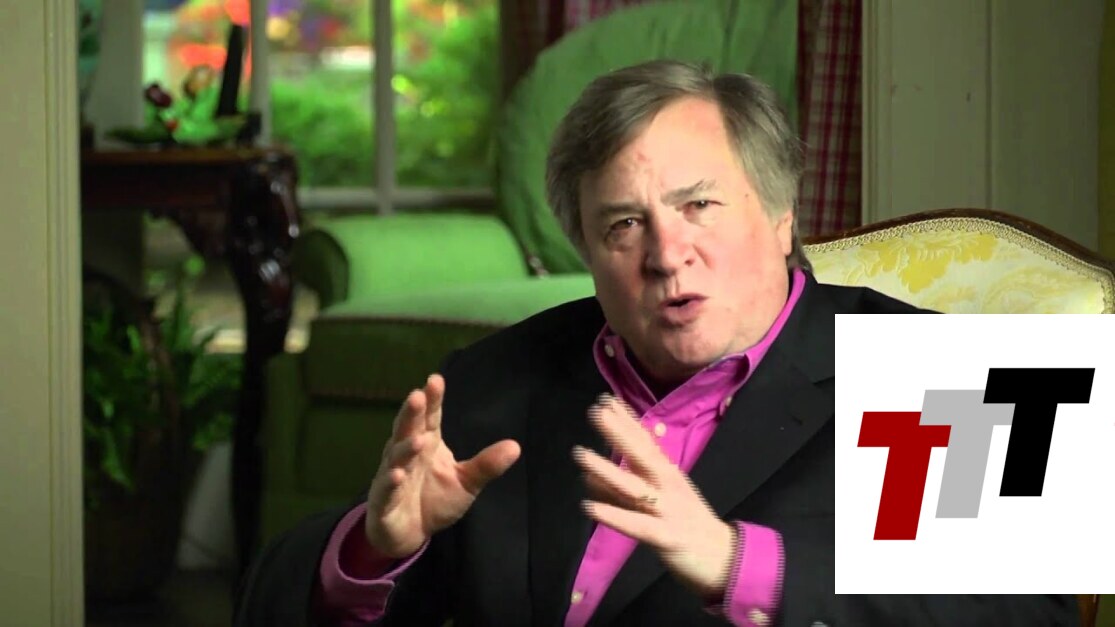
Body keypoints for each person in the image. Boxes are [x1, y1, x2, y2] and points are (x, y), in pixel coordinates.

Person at [235, 60, 1079, 626]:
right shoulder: (494, 381)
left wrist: (739, 564)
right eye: (623, 224)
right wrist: (374, 549)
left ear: (781, 214)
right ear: (587, 252)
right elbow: (273, 600)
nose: (666, 253)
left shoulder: (943, 374)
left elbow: (1025, 613)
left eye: (698, 206)